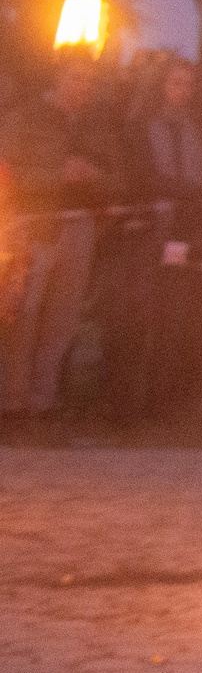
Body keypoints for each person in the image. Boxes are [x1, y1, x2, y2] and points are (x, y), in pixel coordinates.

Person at [0, 52, 114, 417]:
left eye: (90, 81)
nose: (84, 87)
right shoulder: (26, 119)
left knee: (63, 316)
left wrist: (96, 177)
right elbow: (9, 173)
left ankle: (42, 401)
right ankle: (12, 400)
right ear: (58, 78)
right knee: (26, 312)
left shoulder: (97, 124)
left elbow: (121, 174)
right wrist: (57, 175)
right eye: (76, 78)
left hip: (81, 225)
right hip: (36, 226)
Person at [134, 58, 202, 418]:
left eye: (187, 84)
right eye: (175, 83)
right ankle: (144, 395)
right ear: (162, 85)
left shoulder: (198, 131)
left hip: (189, 230)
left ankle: (172, 395)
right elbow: (143, 176)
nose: (181, 91)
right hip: (154, 230)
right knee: (150, 316)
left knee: (181, 314)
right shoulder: (145, 127)